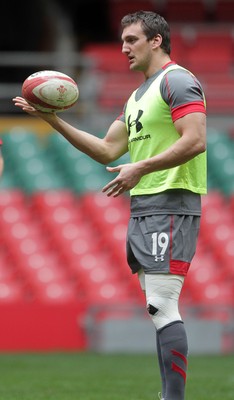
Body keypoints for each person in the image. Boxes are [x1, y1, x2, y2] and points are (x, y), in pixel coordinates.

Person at [13, 10, 206, 400]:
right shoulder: (137, 96)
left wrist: (141, 167)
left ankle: (174, 398)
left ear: (156, 40)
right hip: (144, 206)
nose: (123, 49)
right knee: (158, 310)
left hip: (172, 200)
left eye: (132, 40)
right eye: (121, 41)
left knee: (162, 306)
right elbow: (105, 149)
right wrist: (52, 120)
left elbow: (196, 139)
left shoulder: (179, 81)